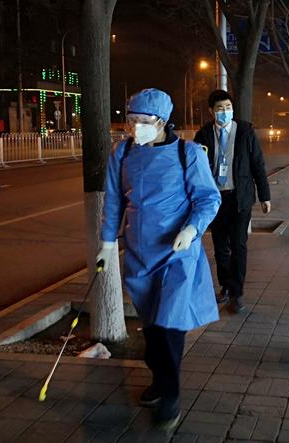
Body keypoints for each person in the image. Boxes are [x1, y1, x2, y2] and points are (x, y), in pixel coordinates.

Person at [97, 88, 220, 431]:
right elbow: (113, 201)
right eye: (130, 120)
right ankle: (159, 380)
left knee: (169, 325)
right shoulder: (122, 153)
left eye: (142, 120)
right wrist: (107, 243)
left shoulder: (187, 153)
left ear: (162, 121)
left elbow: (208, 198)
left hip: (177, 254)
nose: (134, 127)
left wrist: (192, 229)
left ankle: (170, 396)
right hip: (140, 253)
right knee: (152, 325)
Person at [194, 89, 271, 314]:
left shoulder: (245, 131)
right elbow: (195, 167)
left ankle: (237, 293)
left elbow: (258, 164)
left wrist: (265, 196)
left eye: (228, 108)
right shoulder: (204, 134)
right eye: (220, 108)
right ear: (211, 111)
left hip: (240, 198)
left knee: (238, 245)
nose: (225, 112)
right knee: (220, 248)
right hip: (215, 200)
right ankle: (226, 286)